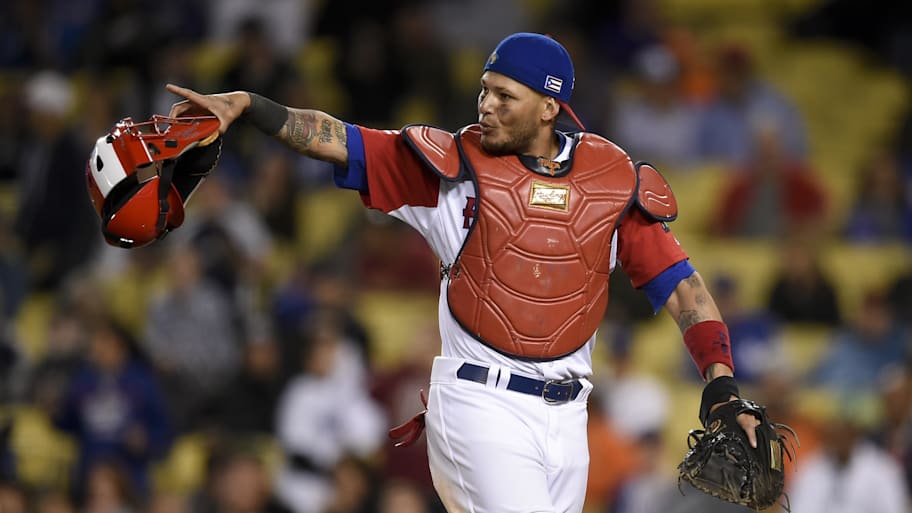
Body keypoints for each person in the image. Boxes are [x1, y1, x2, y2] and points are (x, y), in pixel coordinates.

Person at [166, 32, 760, 513]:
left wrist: (721, 385)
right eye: (484, 90)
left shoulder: (608, 183)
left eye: (506, 96)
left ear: (549, 107)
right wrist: (252, 107)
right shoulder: (450, 169)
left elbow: (684, 288)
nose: (486, 105)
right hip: (480, 405)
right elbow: (338, 140)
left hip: (568, 419)